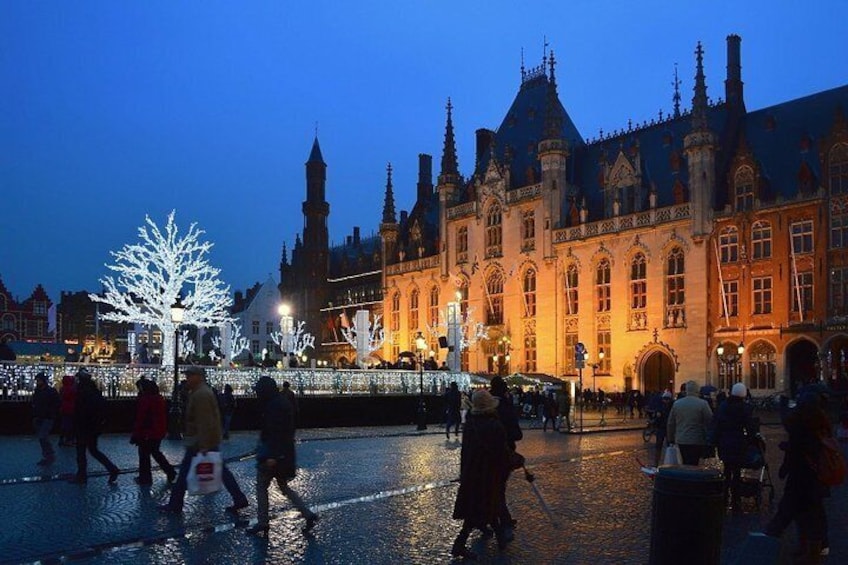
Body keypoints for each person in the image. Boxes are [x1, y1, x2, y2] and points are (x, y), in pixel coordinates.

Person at [158, 366, 249, 514]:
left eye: (189, 376)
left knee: (184, 474)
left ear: (197, 377)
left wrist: (204, 444)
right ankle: (239, 498)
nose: (186, 379)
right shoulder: (200, 392)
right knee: (220, 471)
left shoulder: (201, 394)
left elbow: (205, 421)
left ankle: (175, 504)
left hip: (199, 442)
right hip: (203, 441)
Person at [765, 388, 833, 560]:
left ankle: (764, 546)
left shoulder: (799, 423)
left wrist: (785, 462)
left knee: (785, 514)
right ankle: (816, 548)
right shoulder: (822, 423)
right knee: (812, 514)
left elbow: (796, 448)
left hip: (799, 478)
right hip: (816, 478)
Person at [246, 376, 318, 536]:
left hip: (273, 455)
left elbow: (275, 432)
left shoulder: (273, 406)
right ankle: (307, 513)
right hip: (283, 453)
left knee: (261, 488)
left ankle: (263, 522)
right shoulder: (282, 402)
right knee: (284, 487)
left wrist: (272, 455)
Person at [451, 389, 511, 559]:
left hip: (472, 472)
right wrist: (511, 462)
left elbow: (465, 452)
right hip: (489, 473)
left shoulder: (470, 424)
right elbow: (501, 452)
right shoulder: (494, 425)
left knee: (482, 506)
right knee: (487, 505)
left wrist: (464, 473)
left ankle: (499, 537)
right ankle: (460, 544)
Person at [69, 369, 120, 484]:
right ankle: (112, 468)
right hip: (93, 426)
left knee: (81, 451)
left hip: (84, 426)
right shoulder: (94, 391)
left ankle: (82, 476)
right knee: (93, 450)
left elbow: (81, 411)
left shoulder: (82, 392)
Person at [711, 382, 757, 512]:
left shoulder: (723, 406)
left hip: (725, 442)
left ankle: (724, 497)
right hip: (738, 442)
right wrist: (750, 439)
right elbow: (750, 427)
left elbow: (717, 424)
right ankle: (736, 500)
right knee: (736, 472)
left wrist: (715, 441)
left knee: (727, 470)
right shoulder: (745, 408)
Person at [489, 375, 522, 535]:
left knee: (494, 486)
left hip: (488, 454)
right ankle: (502, 519)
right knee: (498, 488)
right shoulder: (505, 407)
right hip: (504, 452)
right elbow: (516, 433)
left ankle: (499, 518)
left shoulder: (485, 407)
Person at [131, 379, 176, 485]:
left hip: (147, 432)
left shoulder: (146, 399)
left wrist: (136, 433)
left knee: (144, 455)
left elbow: (141, 417)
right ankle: (169, 471)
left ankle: (145, 478)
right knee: (155, 452)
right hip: (158, 430)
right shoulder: (158, 398)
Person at [666, 380, 713, 465]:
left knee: (684, 461)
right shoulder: (703, 404)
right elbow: (710, 421)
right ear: (697, 391)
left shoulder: (677, 404)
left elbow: (671, 423)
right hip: (697, 439)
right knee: (694, 461)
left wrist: (670, 438)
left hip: (681, 438)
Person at [32, 372, 60, 466]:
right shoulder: (41, 391)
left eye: (38, 380)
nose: (37, 382)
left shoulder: (49, 391)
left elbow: (56, 403)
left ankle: (49, 455)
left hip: (47, 417)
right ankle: (48, 455)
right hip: (40, 416)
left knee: (42, 436)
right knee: (42, 437)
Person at [653, 391, 674, 467]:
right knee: (660, 446)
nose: (666, 401)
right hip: (662, 428)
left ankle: (668, 462)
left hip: (666, 428)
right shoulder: (662, 406)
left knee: (668, 446)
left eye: (667, 399)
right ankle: (657, 463)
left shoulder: (671, 407)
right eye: (665, 399)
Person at [59, 374, 77, 446]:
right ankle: (70, 439)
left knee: (64, 424)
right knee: (71, 425)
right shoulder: (73, 389)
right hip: (72, 408)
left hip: (64, 408)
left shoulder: (62, 389)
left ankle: (62, 439)